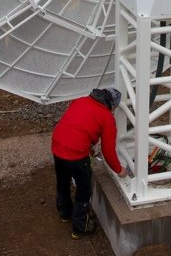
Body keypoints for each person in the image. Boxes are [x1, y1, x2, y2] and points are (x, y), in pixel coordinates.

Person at [51, 87, 128, 239]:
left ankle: (64, 213)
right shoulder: (107, 117)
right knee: (84, 190)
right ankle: (80, 228)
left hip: (57, 146)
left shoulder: (80, 101)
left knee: (63, 181)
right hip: (76, 154)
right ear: (112, 104)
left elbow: (78, 125)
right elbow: (108, 150)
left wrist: (89, 145)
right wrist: (119, 170)